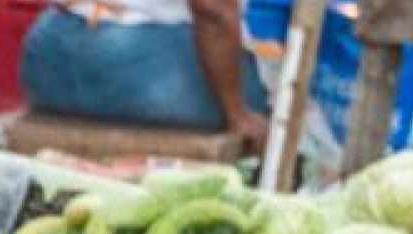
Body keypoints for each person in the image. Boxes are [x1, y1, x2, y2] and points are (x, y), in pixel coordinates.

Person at [22, 0, 263, 142]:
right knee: (267, 95)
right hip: (133, 66)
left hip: (49, 55)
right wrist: (238, 115)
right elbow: (212, 9)